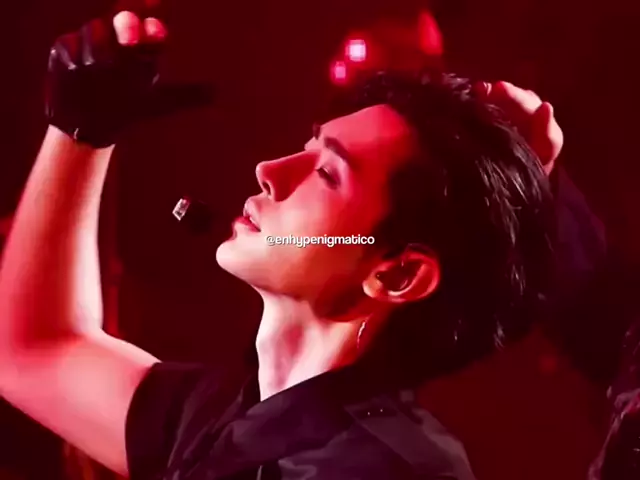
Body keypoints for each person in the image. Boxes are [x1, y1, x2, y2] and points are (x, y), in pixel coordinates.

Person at [0, 8, 562, 480]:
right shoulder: (224, 415)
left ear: (396, 274)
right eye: (307, 147)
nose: (269, 170)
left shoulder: (389, 469)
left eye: (328, 173)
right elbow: (34, 348)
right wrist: (81, 131)